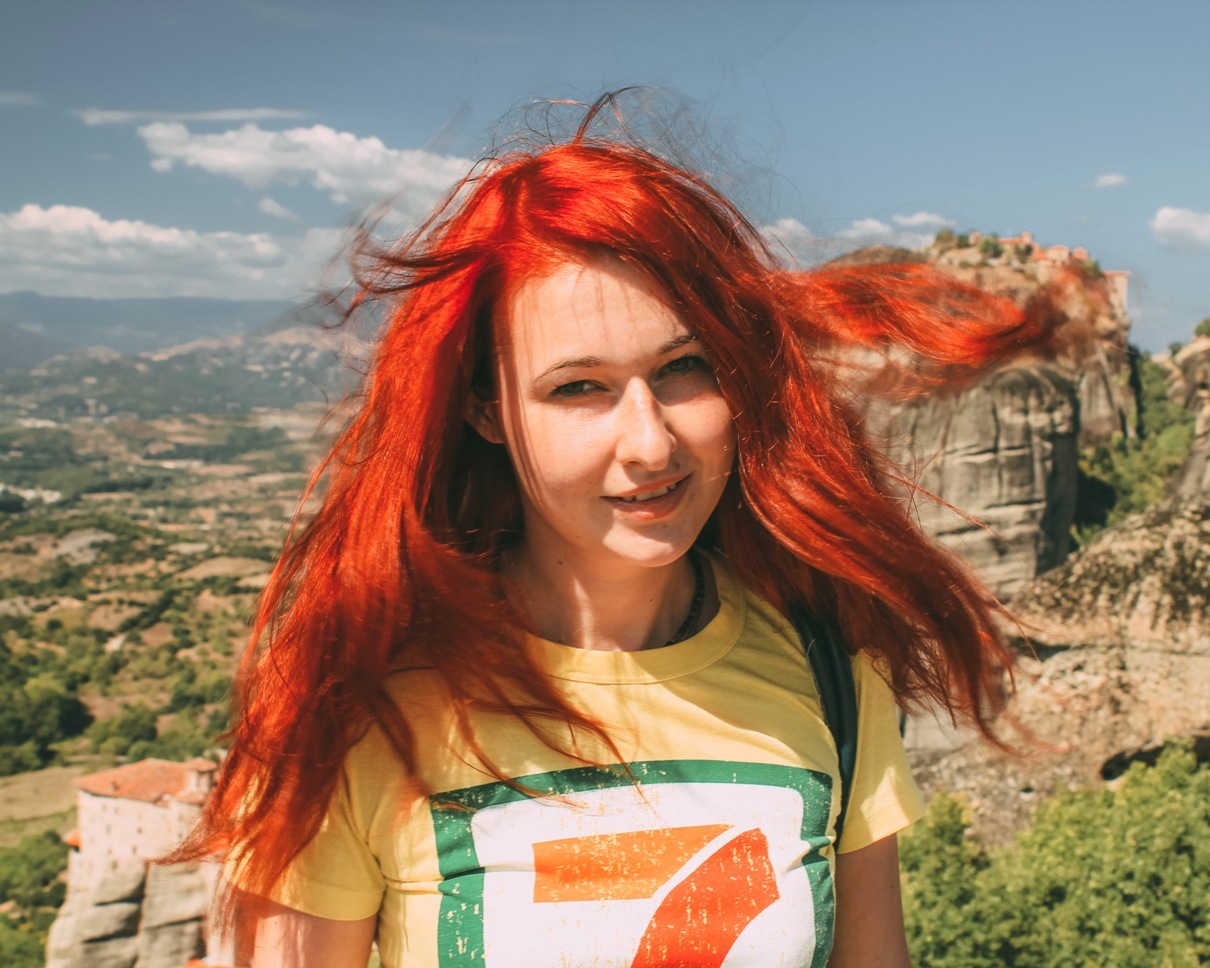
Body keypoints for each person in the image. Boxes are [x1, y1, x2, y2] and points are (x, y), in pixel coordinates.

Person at [173, 93, 1062, 967]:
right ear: (485, 408)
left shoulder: (830, 666)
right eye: (578, 388)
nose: (650, 442)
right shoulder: (366, 701)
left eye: (684, 368)